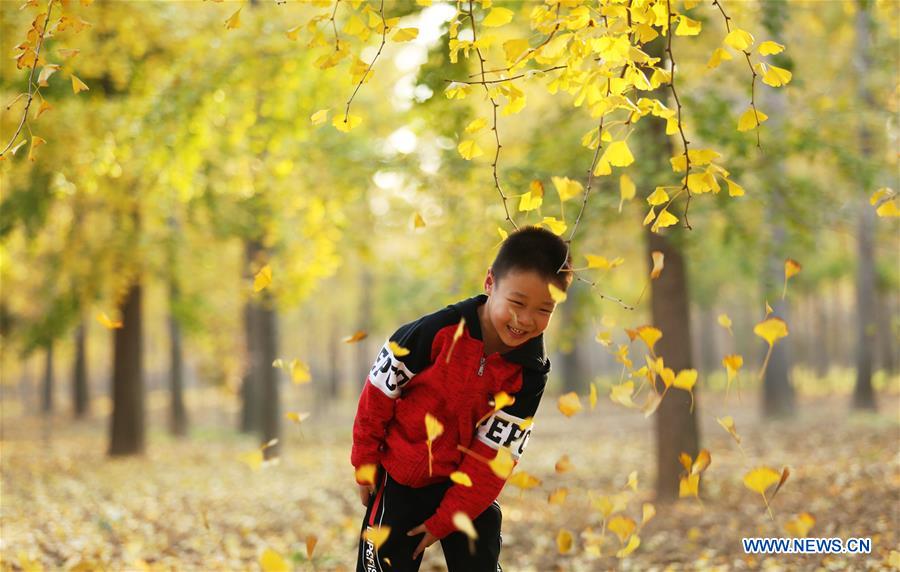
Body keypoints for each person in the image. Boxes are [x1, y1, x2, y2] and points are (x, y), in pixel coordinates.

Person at [352, 226, 573, 572]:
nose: (526, 319)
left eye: (545, 309)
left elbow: (496, 455)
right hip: (403, 478)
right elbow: (377, 396)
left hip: (469, 486)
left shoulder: (529, 372)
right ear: (490, 283)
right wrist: (365, 463)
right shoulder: (433, 333)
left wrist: (447, 519)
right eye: (517, 302)